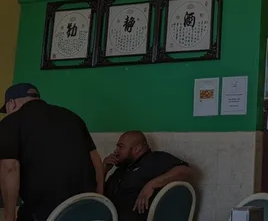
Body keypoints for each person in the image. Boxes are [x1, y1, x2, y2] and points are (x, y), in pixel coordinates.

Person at [0, 83, 104, 221]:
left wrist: (9, 217)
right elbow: (96, 160)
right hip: (84, 208)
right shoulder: (72, 117)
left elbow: (9, 168)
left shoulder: (11, 122)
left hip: (46, 213)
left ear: (11, 103)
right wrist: (98, 200)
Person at [103, 131, 195, 221]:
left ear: (137, 148)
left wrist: (152, 184)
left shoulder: (154, 160)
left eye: (120, 147)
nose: (116, 151)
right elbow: (100, 196)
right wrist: (103, 170)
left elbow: (187, 171)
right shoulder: (122, 169)